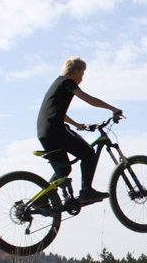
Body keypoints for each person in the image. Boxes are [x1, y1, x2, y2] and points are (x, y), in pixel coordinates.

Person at [37, 57, 123, 204]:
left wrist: (77, 124)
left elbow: (56, 112)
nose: (82, 78)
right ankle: (86, 191)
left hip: (44, 132)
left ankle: (41, 200)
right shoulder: (67, 82)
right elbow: (88, 99)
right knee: (88, 153)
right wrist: (112, 109)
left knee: (63, 170)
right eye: (82, 74)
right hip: (56, 130)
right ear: (75, 71)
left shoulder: (57, 84)